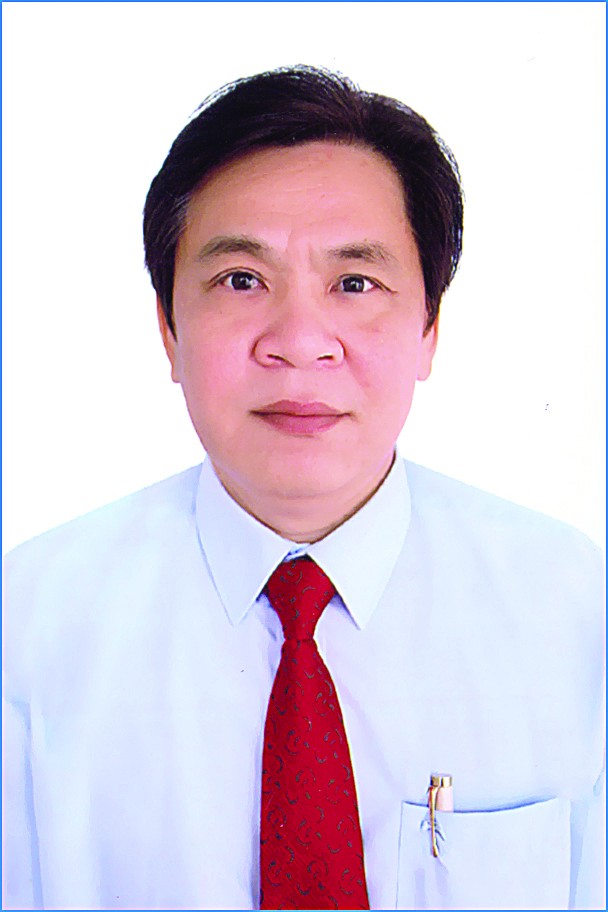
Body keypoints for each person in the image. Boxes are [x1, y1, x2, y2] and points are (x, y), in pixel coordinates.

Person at [3, 66, 604, 911]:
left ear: (429, 329)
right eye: (240, 280)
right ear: (168, 329)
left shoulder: (576, 613)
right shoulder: (27, 629)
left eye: (355, 284)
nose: (298, 341)